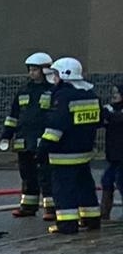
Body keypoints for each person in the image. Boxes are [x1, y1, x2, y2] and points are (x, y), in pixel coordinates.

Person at [40, 57, 102, 234]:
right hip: (84, 152)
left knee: (63, 190)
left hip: (64, 154)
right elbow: (97, 122)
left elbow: (57, 125)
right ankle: (91, 220)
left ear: (64, 74)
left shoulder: (63, 96)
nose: (54, 78)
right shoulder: (90, 94)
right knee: (85, 187)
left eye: (56, 74)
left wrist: (43, 147)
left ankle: (67, 225)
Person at [0, 52, 55, 218]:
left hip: (44, 140)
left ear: (45, 70)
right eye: (30, 69)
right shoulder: (23, 91)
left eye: (35, 69)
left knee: (46, 174)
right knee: (27, 174)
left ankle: (51, 208)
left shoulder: (53, 91)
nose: (32, 73)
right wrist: (6, 135)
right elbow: (13, 116)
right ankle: (28, 207)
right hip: (24, 140)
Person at [102, 83, 123, 220]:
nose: (114, 95)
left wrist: (109, 116)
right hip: (114, 155)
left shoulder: (110, 112)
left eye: (117, 92)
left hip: (120, 155)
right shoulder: (108, 109)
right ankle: (104, 214)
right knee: (107, 180)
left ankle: (104, 213)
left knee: (120, 181)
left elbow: (116, 119)